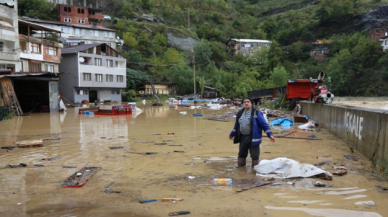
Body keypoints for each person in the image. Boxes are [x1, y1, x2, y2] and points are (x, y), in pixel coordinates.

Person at [229, 97, 275, 168]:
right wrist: (232, 134)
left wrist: (270, 135)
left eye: (248, 102)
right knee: (241, 154)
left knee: (255, 156)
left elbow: (264, 125)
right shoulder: (240, 113)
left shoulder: (257, 113)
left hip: (254, 137)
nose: (246, 103)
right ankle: (241, 171)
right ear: (243, 104)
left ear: (251, 103)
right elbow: (236, 125)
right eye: (245, 102)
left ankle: (255, 172)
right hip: (243, 137)